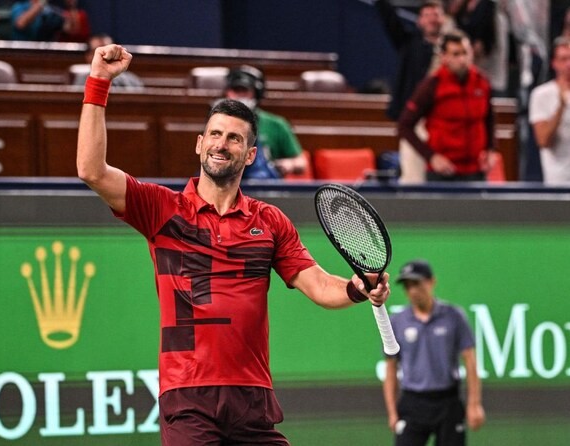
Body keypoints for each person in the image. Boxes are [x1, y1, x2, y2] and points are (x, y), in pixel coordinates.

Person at [76, 43, 391, 445]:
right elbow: (90, 170)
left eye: (235, 139)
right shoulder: (161, 209)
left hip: (251, 400)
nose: (222, 144)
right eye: (215, 134)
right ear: (199, 143)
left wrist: (356, 287)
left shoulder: (270, 221)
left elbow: (319, 286)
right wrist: (99, 82)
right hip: (188, 395)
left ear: (250, 154)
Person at [383, 259, 485, 446]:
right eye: (407, 286)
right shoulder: (397, 321)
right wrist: (392, 412)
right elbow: (390, 368)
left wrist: (474, 404)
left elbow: (470, 361)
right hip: (412, 402)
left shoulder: (454, 316)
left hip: (447, 401)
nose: (412, 291)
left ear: (431, 282)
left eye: (416, 283)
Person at [398, 30, 498, 181]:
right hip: (443, 173)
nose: (462, 59)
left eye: (465, 52)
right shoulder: (431, 86)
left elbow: (488, 119)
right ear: (444, 57)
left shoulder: (482, 83)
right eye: (456, 54)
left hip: (475, 170)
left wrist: (491, 149)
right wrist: (431, 157)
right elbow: (404, 125)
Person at [375, 0, 449, 183]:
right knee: (412, 178)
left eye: (436, 14)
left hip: (444, 124)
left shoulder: (453, 50)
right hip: (414, 121)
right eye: (427, 15)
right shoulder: (409, 45)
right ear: (419, 21)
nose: (433, 19)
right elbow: (389, 19)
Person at [223, 65, 308, 179]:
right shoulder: (218, 123)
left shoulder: (276, 124)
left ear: (256, 93)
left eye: (244, 90)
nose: (239, 96)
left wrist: (288, 164)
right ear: (227, 93)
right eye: (235, 90)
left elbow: (301, 163)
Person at [529, 36, 570, 185]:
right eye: (564, 59)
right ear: (554, 63)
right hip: (557, 180)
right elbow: (543, 140)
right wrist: (561, 107)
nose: (569, 64)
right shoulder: (541, 95)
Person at [71, 33, 144, 90]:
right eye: (97, 53)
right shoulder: (81, 80)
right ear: (88, 56)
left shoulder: (133, 81)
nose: (104, 57)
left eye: (109, 52)